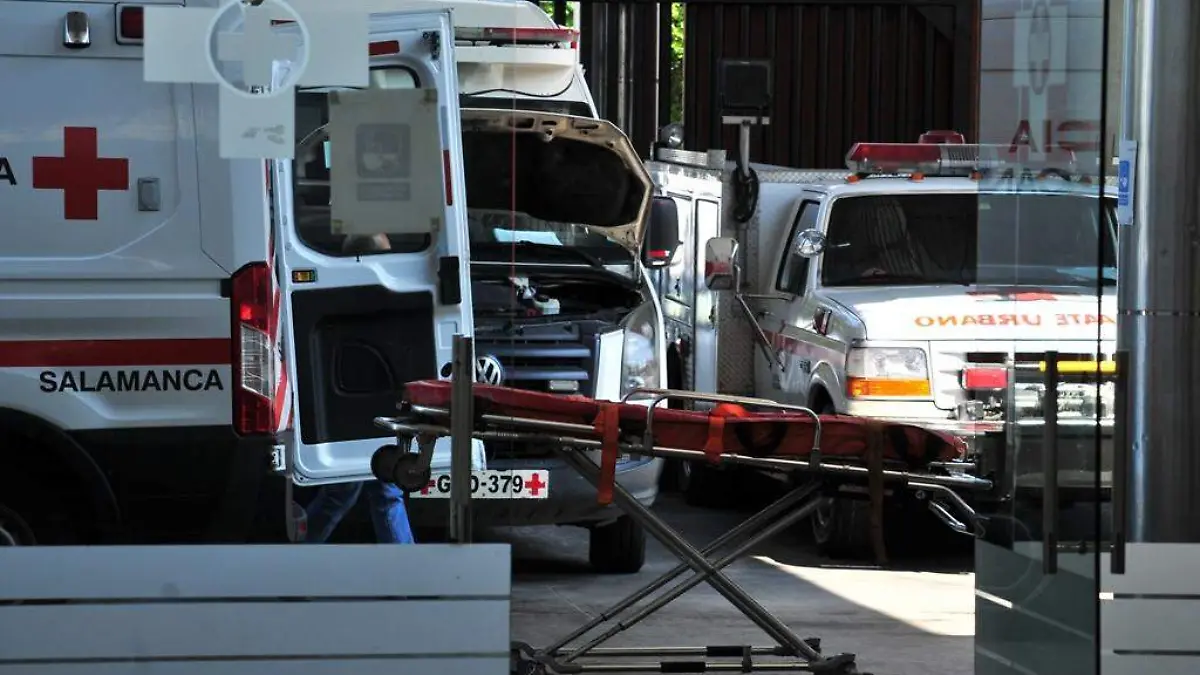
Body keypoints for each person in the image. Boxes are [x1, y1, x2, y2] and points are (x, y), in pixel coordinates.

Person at [302, 232, 416, 545]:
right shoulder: (390, 296)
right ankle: (411, 571)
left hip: (345, 415)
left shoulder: (334, 295)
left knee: (345, 493)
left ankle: (296, 556)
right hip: (375, 414)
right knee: (380, 493)